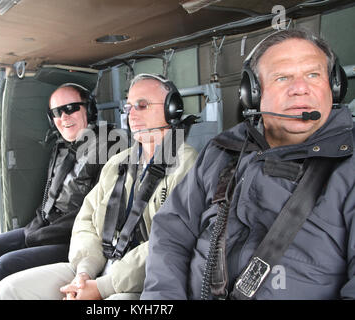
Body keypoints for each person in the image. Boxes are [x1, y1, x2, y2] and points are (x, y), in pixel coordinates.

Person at [142, 29, 354, 300]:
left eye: (313, 75)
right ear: (252, 93)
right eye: (283, 77)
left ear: (334, 85)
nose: (300, 87)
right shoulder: (221, 151)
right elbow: (171, 232)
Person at [0, 74, 198, 300]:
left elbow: (170, 240)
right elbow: (86, 219)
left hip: (144, 279)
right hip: (97, 265)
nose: (132, 115)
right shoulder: (118, 163)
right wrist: (84, 271)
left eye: (142, 105)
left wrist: (102, 287)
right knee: (8, 289)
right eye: (129, 107)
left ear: (172, 109)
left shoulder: (187, 165)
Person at [0, 83, 121, 300]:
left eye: (71, 108)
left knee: (4, 265)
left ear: (89, 109)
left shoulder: (110, 144)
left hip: (72, 239)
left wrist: (41, 234)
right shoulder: (61, 146)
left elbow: (97, 214)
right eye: (57, 112)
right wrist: (37, 229)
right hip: (44, 227)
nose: (64, 117)